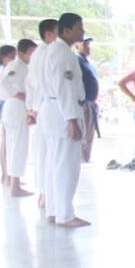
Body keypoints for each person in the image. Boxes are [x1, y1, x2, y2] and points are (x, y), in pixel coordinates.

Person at [39, 13, 89, 228]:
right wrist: (71, 119)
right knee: (66, 165)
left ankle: (53, 209)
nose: (82, 32)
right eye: (79, 28)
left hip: (51, 110)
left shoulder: (52, 50)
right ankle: (65, 214)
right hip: (62, 112)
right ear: (66, 30)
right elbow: (65, 88)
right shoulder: (61, 54)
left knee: (54, 164)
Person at [0, 39, 36, 198]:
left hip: (15, 107)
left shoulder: (22, 67)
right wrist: (15, 93)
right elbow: (2, 81)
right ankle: (15, 185)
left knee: (15, 145)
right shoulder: (17, 66)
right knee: (18, 145)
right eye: (31, 53)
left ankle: (13, 180)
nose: (34, 56)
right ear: (21, 53)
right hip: (16, 106)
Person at [27, 18, 58, 210]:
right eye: (58, 31)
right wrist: (33, 108)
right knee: (49, 153)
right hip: (47, 107)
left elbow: (31, 84)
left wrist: (32, 108)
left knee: (45, 152)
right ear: (48, 34)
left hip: (41, 107)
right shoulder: (47, 52)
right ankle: (46, 194)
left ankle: (45, 194)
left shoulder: (40, 53)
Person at [0, 44, 16, 186]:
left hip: (8, 104)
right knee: (6, 142)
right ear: (3, 57)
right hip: (5, 104)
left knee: (10, 142)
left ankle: (9, 175)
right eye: (11, 57)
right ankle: (6, 175)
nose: (14, 59)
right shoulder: (3, 71)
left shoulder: (6, 70)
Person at [75, 37, 100, 163]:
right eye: (84, 44)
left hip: (91, 103)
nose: (87, 47)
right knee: (83, 135)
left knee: (89, 134)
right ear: (77, 46)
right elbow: (77, 83)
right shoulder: (76, 61)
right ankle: (80, 160)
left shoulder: (87, 63)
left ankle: (85, 159)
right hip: (83, 103)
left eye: (88, 45)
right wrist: (82, 101)